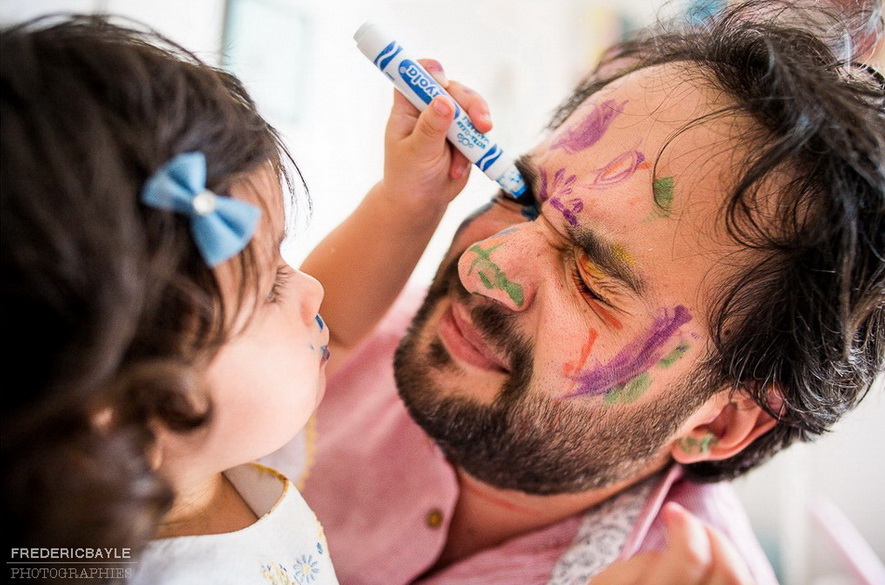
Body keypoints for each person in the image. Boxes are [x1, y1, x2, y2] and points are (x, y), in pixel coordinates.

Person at [291, 1, 885, 583]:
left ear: (720, 423)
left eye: (591, 280)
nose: (481, 267)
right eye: (517, 198)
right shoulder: (328, 334)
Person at [0, 13, 490, 585]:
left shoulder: (218, 457)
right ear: (124, 415)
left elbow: (340, 327)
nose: (314, 289)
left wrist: (412, 198)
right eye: (271, 288)